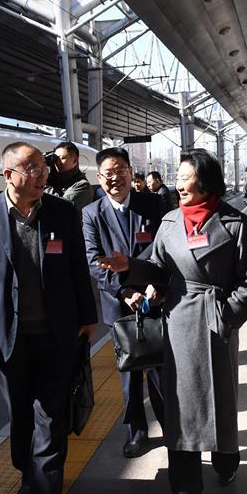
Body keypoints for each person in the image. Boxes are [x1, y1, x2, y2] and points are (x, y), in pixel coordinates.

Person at [96, 149, 247, 494]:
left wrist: (224, 317)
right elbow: (157, 268)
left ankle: (225, 459)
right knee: (180, 406)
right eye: (179, 177)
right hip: (178, 323)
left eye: (185, 177)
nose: (178, 184)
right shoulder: (170, 221)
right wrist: (131, 267)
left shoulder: (235, 223)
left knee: (219, 397)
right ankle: (185, 485)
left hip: (215, 322)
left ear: (204, 180)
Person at [0, 142, 97, 494]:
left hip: (57, 336)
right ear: (8, 174)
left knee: (50, 421)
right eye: (31, 168)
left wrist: (88, 316)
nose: (41, 174)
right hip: (7, 340)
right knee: (20, 418)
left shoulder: (62, 212)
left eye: (43, 167)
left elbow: (76, 268)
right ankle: (28, 476)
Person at [82, 147, 165, 458]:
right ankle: (136, 432)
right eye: (107, 173)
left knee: (160, 369)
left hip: (154, 299)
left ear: (132, 173)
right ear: (99, 179)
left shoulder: (153, 204)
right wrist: (124, 291)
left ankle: (171, 426)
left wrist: (151, 285)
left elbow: (162, 249)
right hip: (120, 306)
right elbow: (93, 261)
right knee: (128, 374)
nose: (114, 178)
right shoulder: (91, 214)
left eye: (120, 170)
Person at [46, 141, 94, 216]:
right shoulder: (55, 179)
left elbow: (58, 208)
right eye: (55, 159)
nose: (57, 163)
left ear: (75, 160)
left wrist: (43, 181)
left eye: (62, 158)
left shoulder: (82, 186)